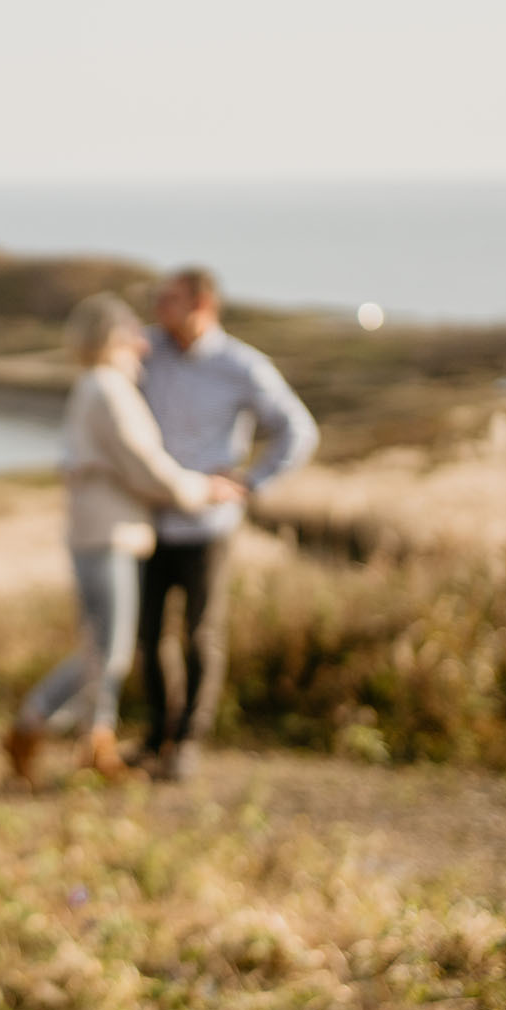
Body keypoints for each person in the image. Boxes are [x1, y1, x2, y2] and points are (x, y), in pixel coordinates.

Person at [3, 293, 242, 784]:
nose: (144, 343)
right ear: (113, 338)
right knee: (107, 650)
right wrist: (202, 490)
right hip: (108, 534)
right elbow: (144, 464)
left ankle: (91, 740)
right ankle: (36, 726)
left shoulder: (97, 386)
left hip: (101, 531)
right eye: (134, 332)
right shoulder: (110, 389)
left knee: (104, 646)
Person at [137, 267, 318, 779]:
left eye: (169, 301)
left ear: (203, 306)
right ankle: (156, 738)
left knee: (200, 635)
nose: (158, 310)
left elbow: (298, 430)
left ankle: (188, 743)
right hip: (151, 521)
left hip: (208, 526)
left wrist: (252, 482)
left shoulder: (241, 365)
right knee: (149, 638)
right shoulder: (149, 352)